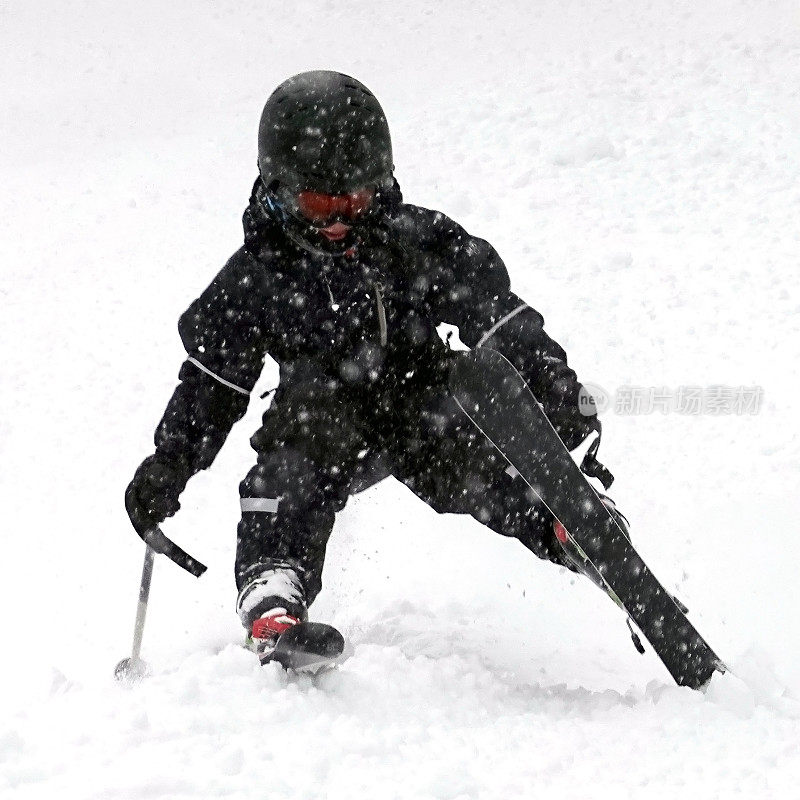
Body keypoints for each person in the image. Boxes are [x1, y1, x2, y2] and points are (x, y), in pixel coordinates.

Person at [126, 70, 624, 658]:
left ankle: (565, 525)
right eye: (319, 202)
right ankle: (274, 594)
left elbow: (498, 317)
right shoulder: (256, 276)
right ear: (278, 190)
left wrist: (552, 384)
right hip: (322, 423)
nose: (339, 219)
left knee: (465, 436)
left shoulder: (413, 241)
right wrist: (167, 468)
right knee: (286, 470)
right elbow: (212, 388)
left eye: (355, 199)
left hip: (420, 404)